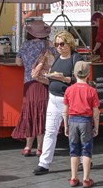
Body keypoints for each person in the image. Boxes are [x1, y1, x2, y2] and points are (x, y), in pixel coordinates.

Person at [33, 30, 83, 175]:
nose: (59, 47)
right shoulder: (56, 58)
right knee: (50, 131)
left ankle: (81, 159)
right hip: (53, 97)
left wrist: (63, 79)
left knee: (74, 132)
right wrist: (45, 77)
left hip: (69, 100)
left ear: (69, 43)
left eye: (62, 44)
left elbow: (78, 79)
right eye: (56, 44)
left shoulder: (76, 58)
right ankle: (44, 163)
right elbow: (52, 77)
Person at [12, 20, 52, 157]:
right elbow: (57, 59)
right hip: (43, 83)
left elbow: (18, 63)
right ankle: (40, 148)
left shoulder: (25, 45)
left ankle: (28, 147)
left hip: (28, 84)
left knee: (29, 114)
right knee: (41, 114)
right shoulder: (48, 46)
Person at [63, 61, 100, 188]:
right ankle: (86, 179)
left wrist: (66, 125)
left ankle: (73, 178)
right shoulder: (92, 91)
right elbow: (96, 111)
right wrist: (96, 126)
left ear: (74, 73)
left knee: (74, 150)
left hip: (73, 121)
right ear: (88, 74)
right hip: (86, 122)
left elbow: (65, 110)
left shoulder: (69, 90)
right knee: (86, 150)